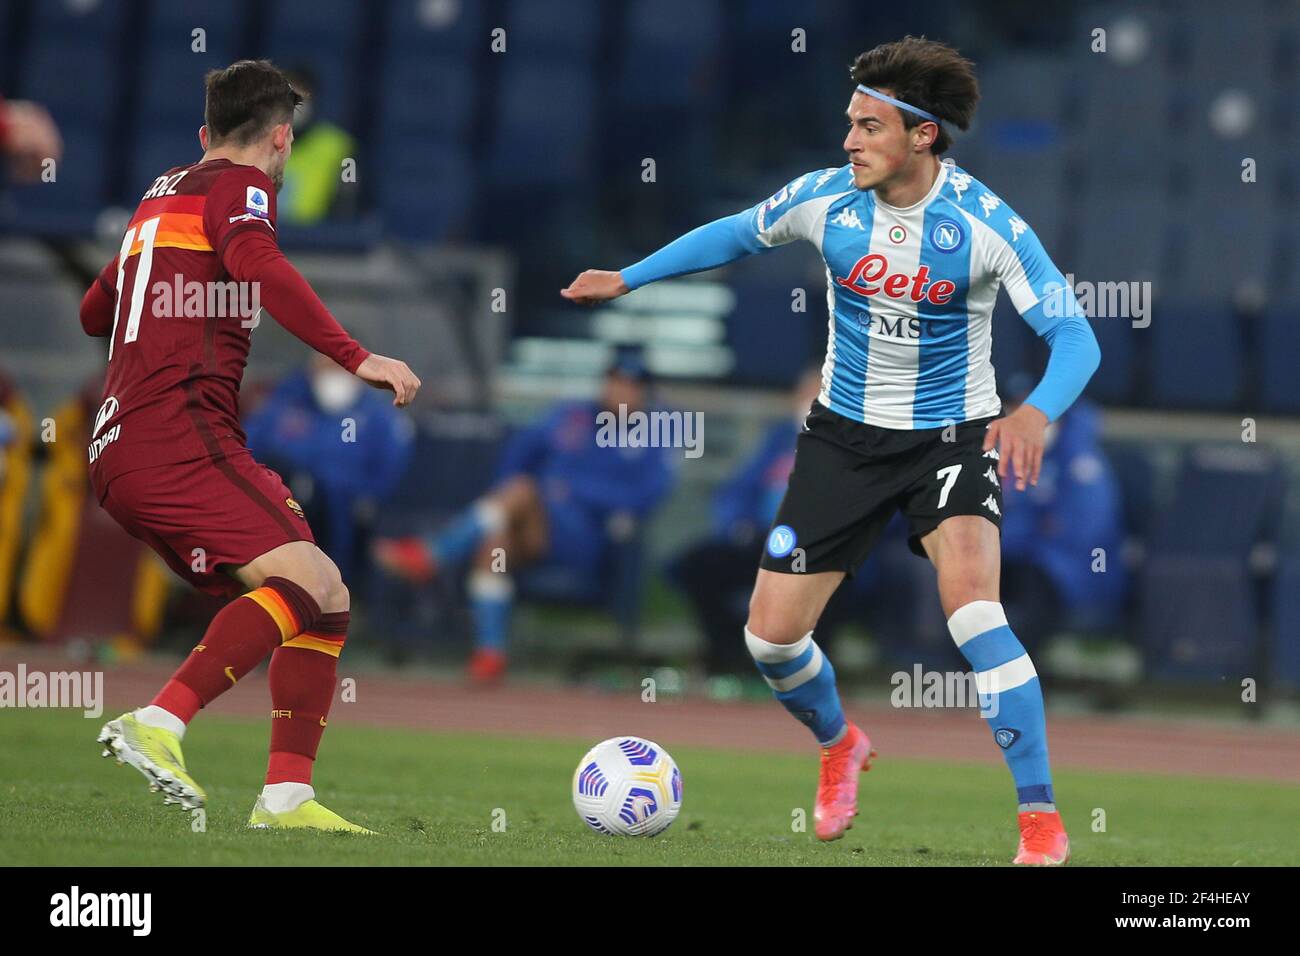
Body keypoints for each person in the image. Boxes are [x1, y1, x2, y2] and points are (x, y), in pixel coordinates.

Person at [561, 37, 1100, 864]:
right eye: (849, 123)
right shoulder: (827, 201)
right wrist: (630, 277)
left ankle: (1039, 821)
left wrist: (1036, 414)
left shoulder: (984, 225)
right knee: (770, 640)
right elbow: (736, 235)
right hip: (841, 439)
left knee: (976, 613)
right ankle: (841, 743)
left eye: (869, 126)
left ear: (922, 136)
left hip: (948, 439)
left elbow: (1074, 335)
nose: (848, 141)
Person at [83, 60, 421, 833]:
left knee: (324, 594)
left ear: (204, 135)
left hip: (123, 444)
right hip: (177, 436)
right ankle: (159, 721)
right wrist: (356, 355)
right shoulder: (244, 190)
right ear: (281, 138)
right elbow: (259, 266)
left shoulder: (157, 197)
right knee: (307, 580)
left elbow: (92, 310)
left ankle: (286, 799)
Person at [374, 352, 676, 682]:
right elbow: (518, 454)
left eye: (632, 386)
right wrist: (539, 492)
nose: (622, 392)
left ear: (644, 393)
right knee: (496, 540)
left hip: (588, 536)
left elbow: (647, 496)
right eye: (616, 382)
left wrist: (574, 490)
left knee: (521, 490)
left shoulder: (653, 433)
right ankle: (491, 655)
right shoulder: (571, 415)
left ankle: (434, 555)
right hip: (535, 526)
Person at [245, 355, 415, 583]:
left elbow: (389, 469)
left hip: (349, 528)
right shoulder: (286, 405)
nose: (332, 374)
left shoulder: (377, 417)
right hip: (282, 519)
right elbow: (247, 449)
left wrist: (358, 497)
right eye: (325, 366)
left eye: (341, 366)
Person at [998, 380, 1127, 654]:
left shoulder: (1080, 460)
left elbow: (1085, 527)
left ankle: (1018, 681)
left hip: (1074, 568)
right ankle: (968, 680)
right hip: (1022, 557)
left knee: (1032, 589)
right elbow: (1010, 519)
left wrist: (1031, 535)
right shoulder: (1011, 456)